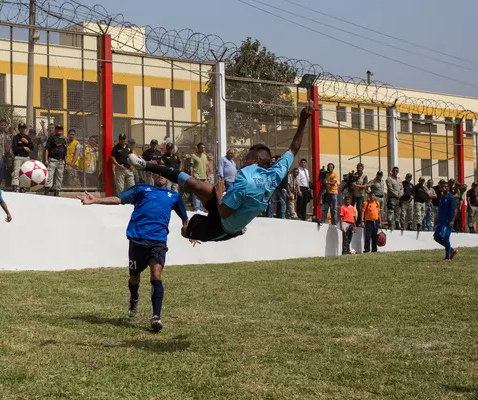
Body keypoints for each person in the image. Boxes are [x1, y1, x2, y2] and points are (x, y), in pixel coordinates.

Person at [128, 102, 314, 243]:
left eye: (247, 158)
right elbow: (294, 147)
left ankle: (195, 229)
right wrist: (304, 119)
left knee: (186, 232)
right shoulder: (274, 173)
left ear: (256, 161)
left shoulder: (245, 179)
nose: (243, 160)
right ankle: (146, 165)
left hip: (222, 227)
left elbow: (224, 212)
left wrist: (218, 194)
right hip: (228, 208)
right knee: (195, 184)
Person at [78, 162, 188, 332]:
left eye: (163, 173)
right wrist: (96, 200)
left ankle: (156, 317)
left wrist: (189, 232)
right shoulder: (141, 189)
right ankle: (134, 297)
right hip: (137, 240)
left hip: (158, 241)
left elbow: (185, 219)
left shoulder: (173, 196)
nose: (160, 176)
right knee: (134, 279)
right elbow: (118, 199)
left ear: (167, 178)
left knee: (156, 274)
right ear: (153, 176)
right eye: (157, 173)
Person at [434, 181, 459, 262]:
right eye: (442, 186)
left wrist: (452, 221)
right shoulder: (441, 197)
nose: (443, 188)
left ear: (448, 188)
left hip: (447, 222)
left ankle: (447, 258)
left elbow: (455, 210)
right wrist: (436, 219)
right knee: (436, 237)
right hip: (441, 222)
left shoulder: (450, 197)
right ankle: (451, 250)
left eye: (445, 186)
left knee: (445, 238)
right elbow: (440, 210)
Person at [10, 122, 32, 192]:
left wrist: (27, 142)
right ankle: (15, 186)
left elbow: (32, 147)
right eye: (21, 128)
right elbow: (14, 148)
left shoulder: (27, 137)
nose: (22, 130)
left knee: (25, 172)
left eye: (24, 128)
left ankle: (22, 187)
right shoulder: (16, 137)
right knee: (16, 172)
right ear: (19, 129)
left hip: (26, 157)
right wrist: (24, 148)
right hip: (18, 157)